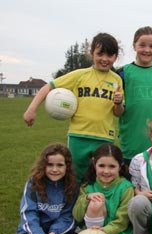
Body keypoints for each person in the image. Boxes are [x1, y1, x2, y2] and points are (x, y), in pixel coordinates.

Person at [23, 33, 124, 182]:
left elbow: (118, 113)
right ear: (92, 53)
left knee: (101, 178)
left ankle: (98, 205)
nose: (104, 59)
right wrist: (31, 109)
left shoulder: (116, 80)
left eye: (110, 55)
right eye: (100, 54)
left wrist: (118, 103)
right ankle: (73, 204)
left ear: (115, 57)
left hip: (104, 136)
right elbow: (48, 87)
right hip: (79, 135)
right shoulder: (80, 75)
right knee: (74, 177)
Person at [116, 26, 152, 165]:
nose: (147, 50)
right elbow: (118, 110)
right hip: (131, 145)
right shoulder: (122, 73)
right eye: (142, 45)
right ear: (134, 45)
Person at [13, 143, 78, 234]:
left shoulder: (72, 186)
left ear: (67, 167)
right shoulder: (33, 183)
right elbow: (28, 213)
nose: (54, 169)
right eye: (50, 165)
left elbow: (67, 215)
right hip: (36, 228)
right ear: (43, 165)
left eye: (60, 165)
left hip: (56, 231)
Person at [73, 144, 133, 234]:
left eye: (112, 166)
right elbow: (76, 216)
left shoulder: (126, 187)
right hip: (91, 231)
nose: (106, 171)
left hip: (116, 232)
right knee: (96, 202)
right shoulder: (88, 186)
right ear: (94, 164)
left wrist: (105, 231)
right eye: (101, 166)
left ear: (120, 166)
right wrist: (87, 198)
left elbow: (123, 221)